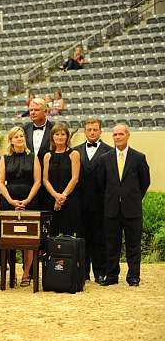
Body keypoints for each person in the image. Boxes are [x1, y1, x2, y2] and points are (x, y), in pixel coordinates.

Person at [97, 124, 150, 287]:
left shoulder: (138, 157)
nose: (117, 137)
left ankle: (133, 276)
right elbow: (101, 183)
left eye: (121, 134)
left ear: (128, 135)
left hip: (132, 209)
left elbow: (145, 182)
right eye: (115, 135)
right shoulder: (104, 158)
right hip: (111, 209)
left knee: (133, 244)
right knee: (112, 244)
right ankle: (112, 275)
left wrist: (132, 198)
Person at [0, 126, 41, 286]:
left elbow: (38, 181)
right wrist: (10, 200)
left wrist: (27, 200)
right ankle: (12, 274)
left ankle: (26, 274)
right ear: (11, 140)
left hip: (30, 200)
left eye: (21, 136)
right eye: (16, 136)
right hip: (9, 202)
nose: (20, 138)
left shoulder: (33, 157)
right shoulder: (5, 158)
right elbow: (0, 183)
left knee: (28, 239)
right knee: (8, 239)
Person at [73, 119, 112, 283]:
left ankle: (100, 271)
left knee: (99, 238)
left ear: (100, 131)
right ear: (85, 132)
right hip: (80, 203)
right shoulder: (75, 151)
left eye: (95, 130)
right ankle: (83, 272)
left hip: (101, 203)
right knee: (81, 238)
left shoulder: (110, 151)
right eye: (89, 130)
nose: (92, 132)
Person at [43, 123, 81, 239]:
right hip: (51, 199)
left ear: (67, 137)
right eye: (57, 134)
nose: (60, 137)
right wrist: (56, 196)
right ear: (52, 137)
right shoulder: (47, 156)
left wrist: (62, 197)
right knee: (52, 234)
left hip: (69, 199)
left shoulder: (74, 154)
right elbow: (45, 180)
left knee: (68, 234)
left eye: (63, 134)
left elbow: (75, 178)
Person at [23, 98, 54, 210]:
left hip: (50, 180)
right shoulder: (24, 129)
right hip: (29, 180)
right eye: (31, 110)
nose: (32, 112)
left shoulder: (55, 129)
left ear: (45, 111)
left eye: (36, 109)